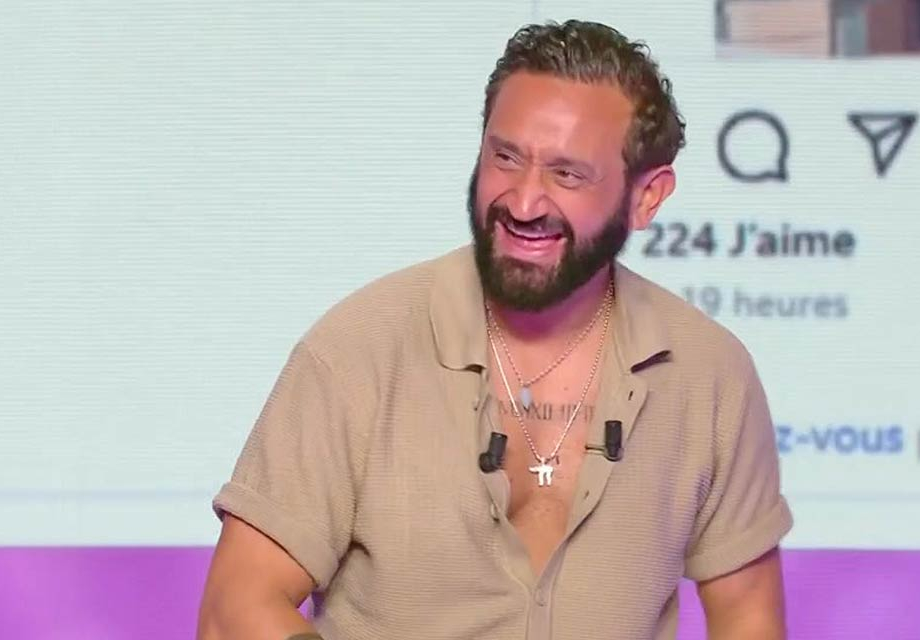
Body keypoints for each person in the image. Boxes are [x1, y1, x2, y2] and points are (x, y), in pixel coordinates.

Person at [197, 19, 793, 640]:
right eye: (505, 158)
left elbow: (748, 616)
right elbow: (236, 609)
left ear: (647, 197)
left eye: (567, 174)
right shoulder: (357, 350)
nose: (524, 203)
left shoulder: (710, 373)